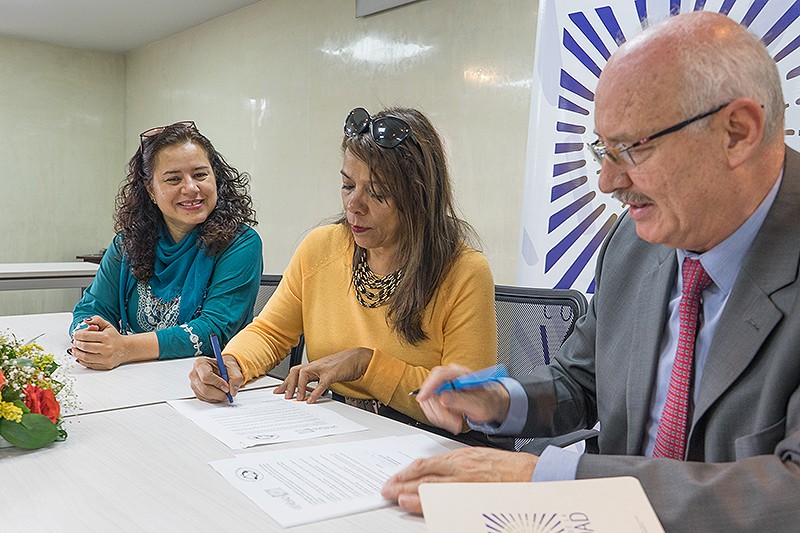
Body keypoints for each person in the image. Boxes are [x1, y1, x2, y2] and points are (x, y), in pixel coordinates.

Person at [382, 12, 800, 531]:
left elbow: (790, 490)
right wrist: (496, 400)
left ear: (737, 132)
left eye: (633, 148)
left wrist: (545, 480)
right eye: (603, 149)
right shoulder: (633, 244)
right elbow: (579, 384)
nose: (606, 181)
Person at [189, 107, 497, 425]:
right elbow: (271, 332)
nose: (353, 205)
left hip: (425, 441)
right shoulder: (322, 247)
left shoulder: (464, 271)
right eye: (348, 186)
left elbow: (468, 407)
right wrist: (231, 364)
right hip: (339, 424)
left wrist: (366, 365)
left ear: (419, 197)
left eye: (378, 193)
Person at [70, 121, 262, 369]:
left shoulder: (241, 243)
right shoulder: (126, 243)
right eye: (173, 179)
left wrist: (124, 349)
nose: (191, 188)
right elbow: (92, 307)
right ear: (150, 189)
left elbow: (213, 331)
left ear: (216, 177)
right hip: (137, 380)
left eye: (201, 175)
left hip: (207, 385)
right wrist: (90, 338)